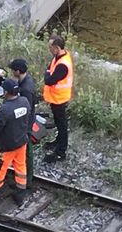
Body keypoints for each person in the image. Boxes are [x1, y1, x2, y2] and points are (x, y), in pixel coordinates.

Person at [0, 79, 30, 205]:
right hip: (21, 142)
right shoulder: (24, 101)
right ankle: (20, 192)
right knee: (20, 166)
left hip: (6, 146)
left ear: (6, 91)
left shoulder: (5, 110)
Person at [42, 35, 73, 163]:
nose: (49, 49)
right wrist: (48, 72)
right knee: (59, 122)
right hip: (55, 98)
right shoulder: (59, 56)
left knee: (61, 125)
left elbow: (49, 80)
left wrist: (47, 73)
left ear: (57, 47)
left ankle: (60, 152)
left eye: (50, 47)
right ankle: (58, 142)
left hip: (59, 99)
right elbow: (49, 69)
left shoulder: (63, 65)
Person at [9, 58, 37, 189]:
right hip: (26, 122)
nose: (11, 72)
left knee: (26, 152)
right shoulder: (26, 81)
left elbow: (26, 109)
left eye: (13, 70)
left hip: (25, 124)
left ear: (18, 71)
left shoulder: (26, 89)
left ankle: (27, 181)